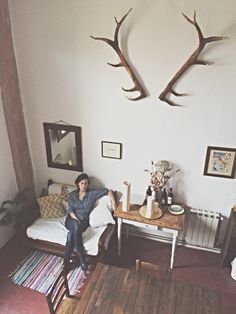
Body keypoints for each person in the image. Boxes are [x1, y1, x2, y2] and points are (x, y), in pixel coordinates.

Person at [63, 173, 116, 272]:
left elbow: (108, 191)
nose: (84, 185)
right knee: (75, 227)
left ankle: (66, 262)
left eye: (86, 183)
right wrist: (76, 220)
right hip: (71, 219)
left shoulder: (91, 194)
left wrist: (113, 203)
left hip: (84, 221)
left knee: (71, 235)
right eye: (82, 183)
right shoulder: (72, 195)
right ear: (78, 184)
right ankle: (82, 260)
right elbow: (70, 210)